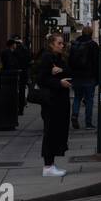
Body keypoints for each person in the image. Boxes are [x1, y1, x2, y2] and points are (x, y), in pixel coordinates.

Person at [36, 32, 72, 175]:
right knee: (50, 132)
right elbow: (41, 79)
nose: (62, 46)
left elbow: (70, 70)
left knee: (57, 131)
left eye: (62, 43)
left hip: (60, 101)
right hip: (51, 101)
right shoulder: (46, 58)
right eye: (59, 43)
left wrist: (62, 71)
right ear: (51, 44)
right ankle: (48, 166)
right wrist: (59, 82)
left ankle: (51, 165)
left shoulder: (59, 58)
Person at [67, 25, 99, 130]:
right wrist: (97, 77)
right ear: (91, 33)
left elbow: (70, 61)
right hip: (89, 77)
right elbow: (96, 63)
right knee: (89, 100)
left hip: (76, 77)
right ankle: (88, 123)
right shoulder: (93, 45)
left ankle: (74, 115)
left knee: (77, 97)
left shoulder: (75, 44)